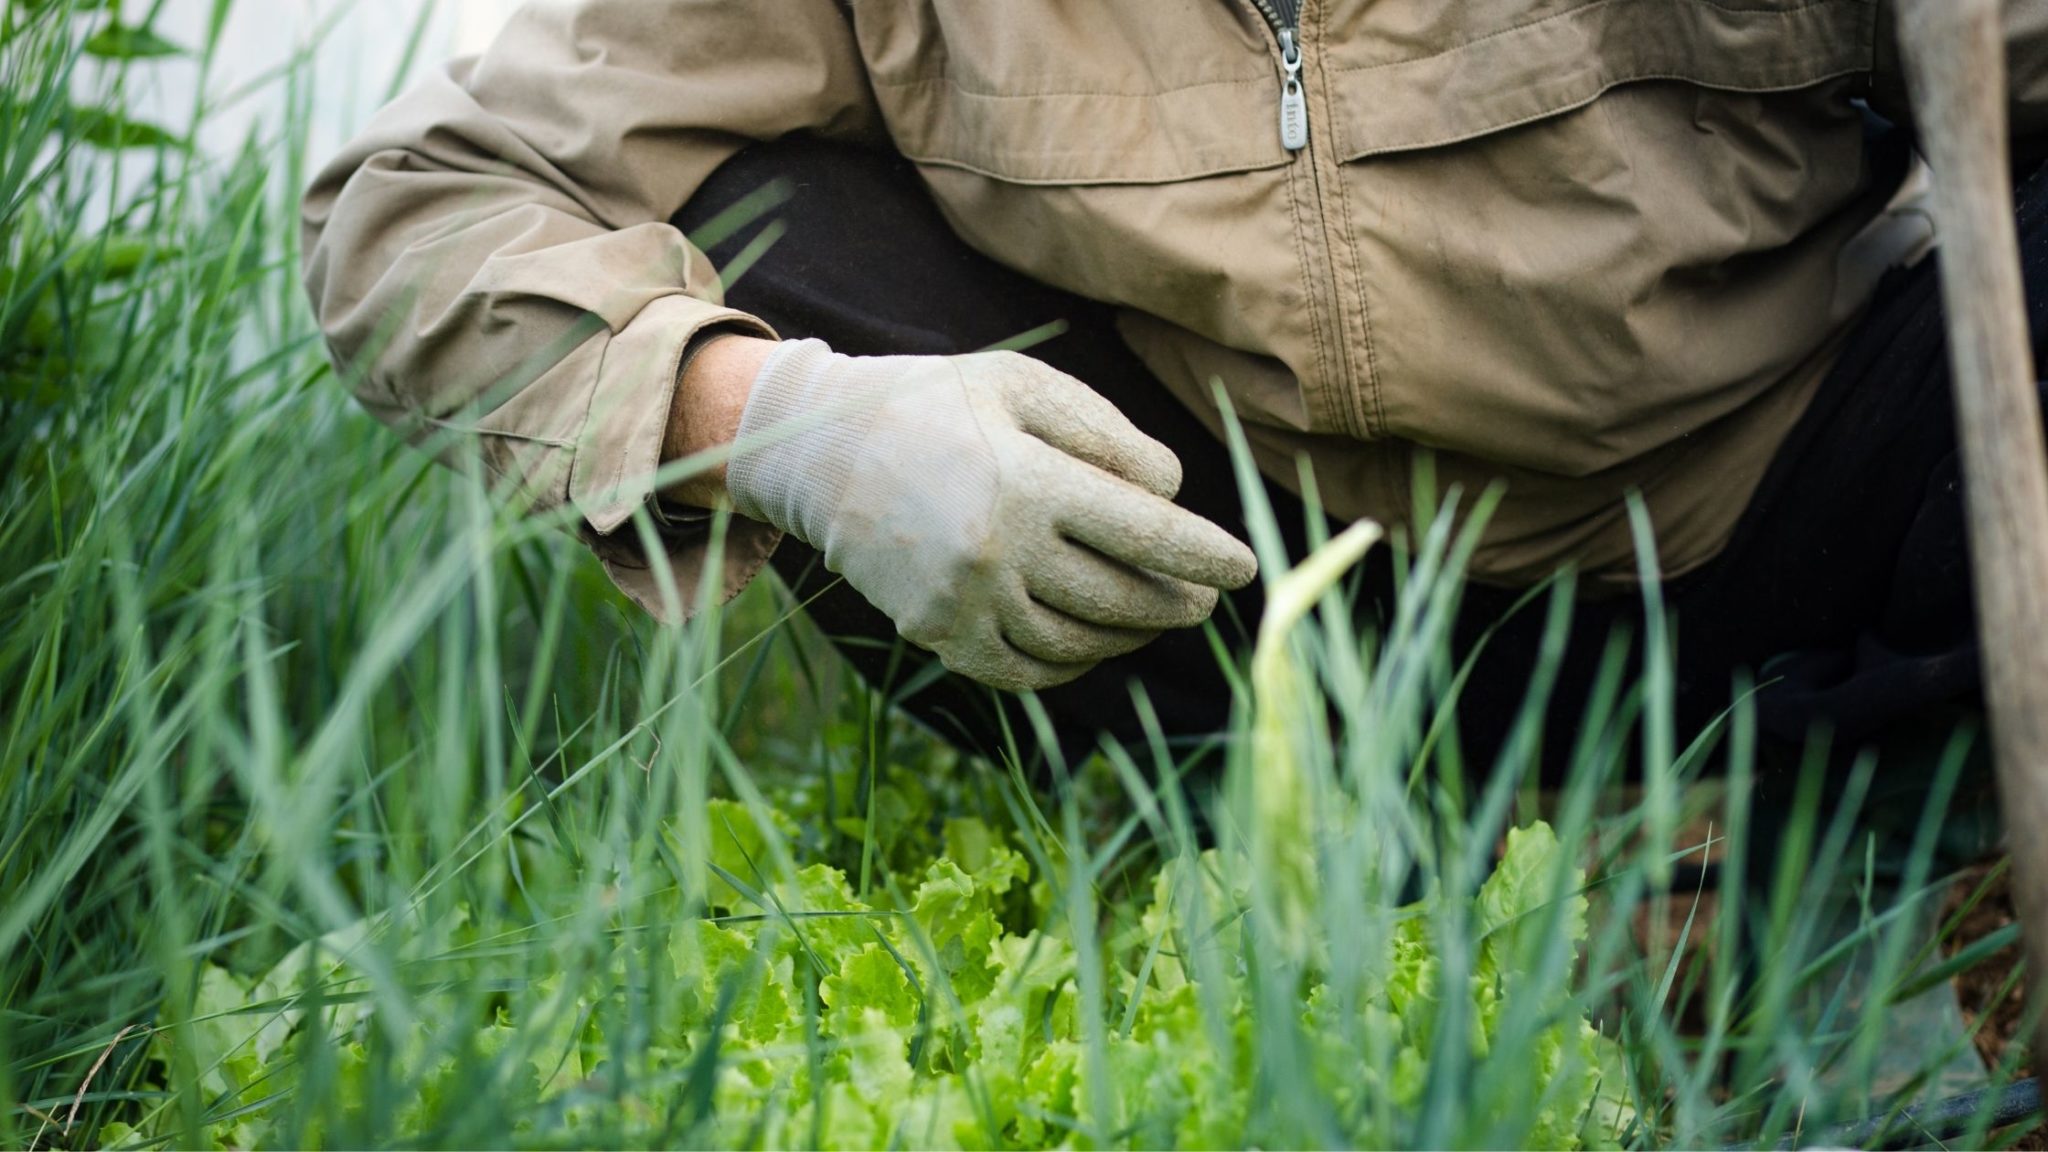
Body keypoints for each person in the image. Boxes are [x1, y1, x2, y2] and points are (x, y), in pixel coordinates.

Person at [303, 0, 2048, 783]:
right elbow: (413, 210)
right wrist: (780, 425)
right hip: (1246, 611)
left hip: (1796, 487)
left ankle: (1845, 792)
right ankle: (1331, 852)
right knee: (753, 225)